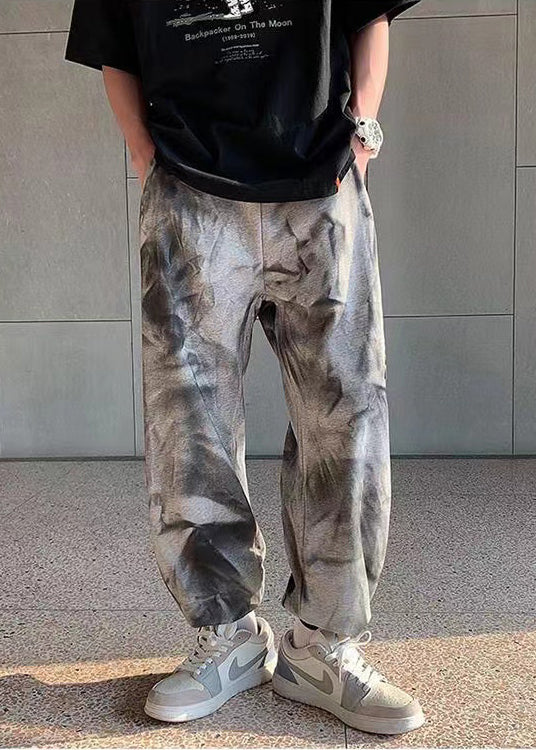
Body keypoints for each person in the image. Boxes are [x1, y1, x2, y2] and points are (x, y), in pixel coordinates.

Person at [65, 0, 425, 735]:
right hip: (189, 186)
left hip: (320, 182)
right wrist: (145, 152)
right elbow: (111, 34)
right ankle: (228, 635)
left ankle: (324, 646)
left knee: (347, 416)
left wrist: (362, 131)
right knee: (188, 422)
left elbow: (370, 12)